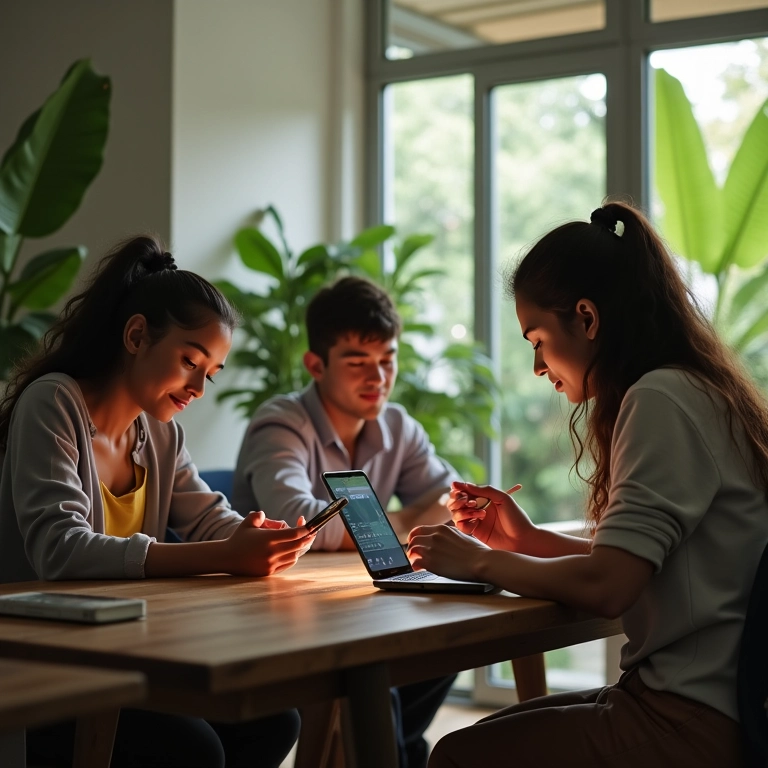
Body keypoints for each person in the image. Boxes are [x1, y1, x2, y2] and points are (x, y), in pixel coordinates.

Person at [408, 201, 768, 768]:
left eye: (536, 340)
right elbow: (639, 566)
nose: (536, 367)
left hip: (690, 719)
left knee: (456, 757)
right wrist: (522, 540)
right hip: (712, 704)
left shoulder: (660, 399)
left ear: (587, 317)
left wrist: (476, 562)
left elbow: (609, 587)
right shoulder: (699, 389)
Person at [0, 235, 313, 768]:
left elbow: (209, 518)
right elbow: (60, 550)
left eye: (209, 373)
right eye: (190, 361)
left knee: (274, 720)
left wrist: (253, 535)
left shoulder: (159, 433)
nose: (198, 387)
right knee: (192, 750)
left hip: (120, 650)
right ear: (137, 335)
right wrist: (223, 555)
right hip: (42, 665)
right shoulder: (52, 402)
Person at [232, 275, 458, 768]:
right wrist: (401, 519)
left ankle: (400, 751)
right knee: (377, 684)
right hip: (272, 612)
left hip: (351, 600)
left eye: (387, 360)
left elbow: (451, 502)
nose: (377, 377)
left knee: (447, 643)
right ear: (316, 365)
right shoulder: (282, 422)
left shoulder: (397, 425)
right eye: (358, 362)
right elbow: (301, 525)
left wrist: (375, 522)